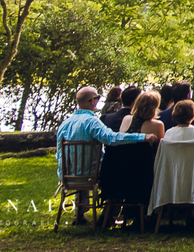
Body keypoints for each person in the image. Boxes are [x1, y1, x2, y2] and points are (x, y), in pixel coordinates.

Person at [56, 87, 157, 224]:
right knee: (115, 169)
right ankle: (109, 215)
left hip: (67, 174)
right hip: (89, 174)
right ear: (93, 101)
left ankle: (79, 214)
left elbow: (59, 153)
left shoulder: (64, 124)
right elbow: (111, 138)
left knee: (84, 163)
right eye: (97, 98)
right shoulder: (92, 122)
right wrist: (142, 137)